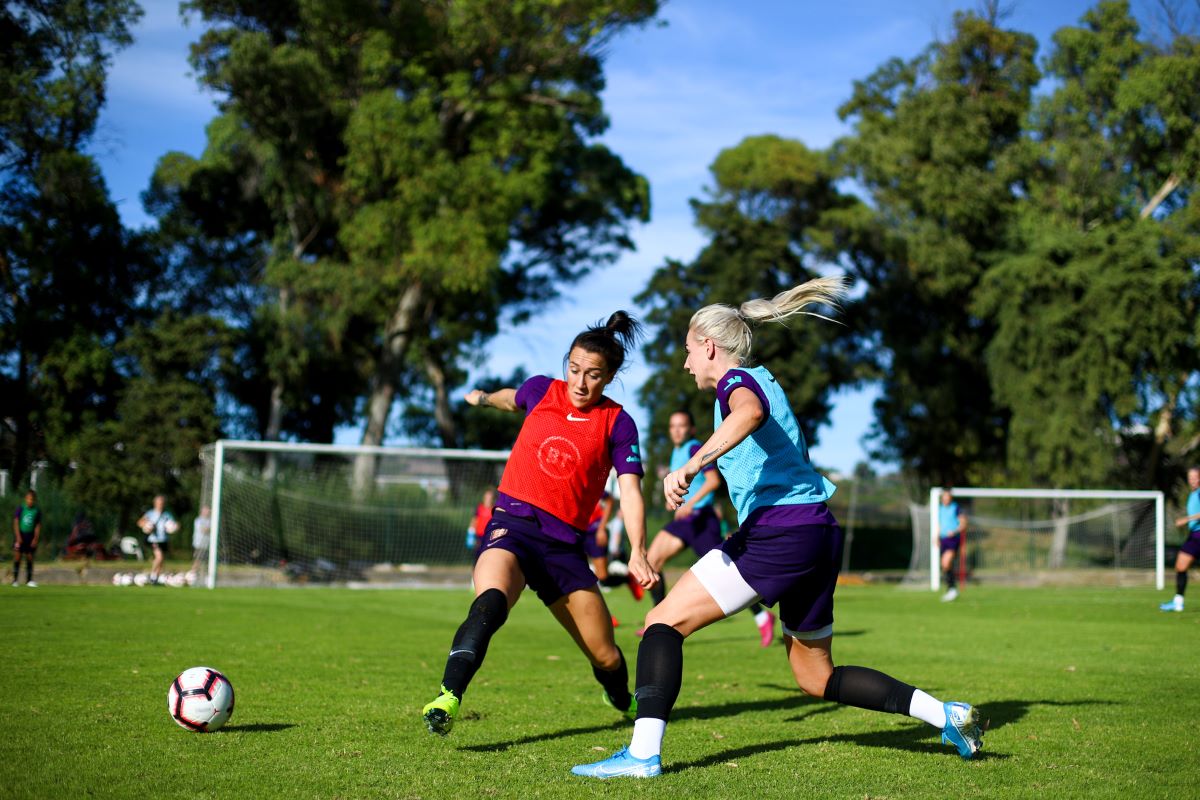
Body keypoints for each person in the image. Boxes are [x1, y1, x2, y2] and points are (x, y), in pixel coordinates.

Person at [573, 277, 983, 779]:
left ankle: (641, 755)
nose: (685, 364)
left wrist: (691, 464)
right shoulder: (765, 377)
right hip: (816, 529)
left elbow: (748, 413)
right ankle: (946, 715)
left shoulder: (736, 384)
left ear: (708, 346)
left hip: (781, 530)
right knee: (816, 677)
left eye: (687, 351)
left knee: (662, 625)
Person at [421, 312, 657, 736]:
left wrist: (638, 549)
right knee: (491, 602)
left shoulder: (617, 424)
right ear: (566, 362)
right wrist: (483, 398)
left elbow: (632, 489)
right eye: (574, 369)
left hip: (563, 549)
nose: (580, 383)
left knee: (605, 656)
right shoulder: (541, 391)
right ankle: (447, 697)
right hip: (512, 527)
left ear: (611, 377)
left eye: (594, 375)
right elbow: (512, 398)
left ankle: (620, 697)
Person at [639, 410, 776, 645]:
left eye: (682, 426)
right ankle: (658, 621)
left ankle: (763, 617)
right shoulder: (676, 451)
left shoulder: (694, 448)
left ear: (690, 429)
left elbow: (713, 481)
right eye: (673, 426)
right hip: (685, 522)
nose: (677, 430)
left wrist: (690, 504)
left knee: (729, 575)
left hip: (702, 520)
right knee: (652, 560)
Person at [1161, 466, 1200, 612]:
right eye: (1190, 478)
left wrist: (1186, 519)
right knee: (1181, 565)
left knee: (1181, 565)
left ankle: (1178, 602)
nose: (1192, 480)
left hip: (1199, 535)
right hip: (1194, 535)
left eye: (1195, 477)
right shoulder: (1193, 493)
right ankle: (1178, 602)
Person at [137, 495, 177, 585]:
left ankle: (155, 579)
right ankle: (152, 575)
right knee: (159, 557)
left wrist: (174, 527)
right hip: (154, 539)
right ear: (155, 503)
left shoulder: (167, 514)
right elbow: (140, 522)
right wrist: (146, 526)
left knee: (162, 560)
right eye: (159, 503)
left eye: (162, 503)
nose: (161, 505)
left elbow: (175, 524)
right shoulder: (150, 513)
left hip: (164, 540)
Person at [938, 488, 968, 602]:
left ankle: (952, 589)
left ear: (950, 498)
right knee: (945, 565)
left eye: (948, 497)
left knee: (946, 562)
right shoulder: (940, 509)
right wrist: (936, 536)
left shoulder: (956, 508)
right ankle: (951, 589)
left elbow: (963, 523)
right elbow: (939, 524)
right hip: (943, 539)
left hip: (953, 539)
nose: (946, 499)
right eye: (944, 497)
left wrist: (954, 531)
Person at [12, 489, 41, 587]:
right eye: (29, 499)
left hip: (30, 536)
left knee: (30, 557)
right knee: (18, 556)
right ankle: (15, 580)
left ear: (34, 500)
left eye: (32, 499)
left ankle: (29, 580)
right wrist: (18, 536)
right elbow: (16, 522)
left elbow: (37, 525)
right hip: (21, 535)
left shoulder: (36, 511)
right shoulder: (21, 508)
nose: (30, 501)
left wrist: (35, 538)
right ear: (26, 499)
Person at [466, 488, 496, 552]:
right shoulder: (479, 508)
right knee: (477, 552)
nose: (488, 499)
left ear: (492, 499)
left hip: (489, 535)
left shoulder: (494, 509)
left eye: (490, 498)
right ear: (484, 498)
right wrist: (470, 533)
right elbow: (474, 520)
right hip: (479, 535)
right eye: (487, 497)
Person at [191, 506, 212, 577]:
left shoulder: (210, 520)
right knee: (198, 560)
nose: (208, 511)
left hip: (207, 545)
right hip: (199, 544)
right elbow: (203, 530)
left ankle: (204, 575)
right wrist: (211, 529)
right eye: (206, 510)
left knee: (207, 561)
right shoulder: (198, 520)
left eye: (208, 510)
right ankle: (192, 574)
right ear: (202, 511)